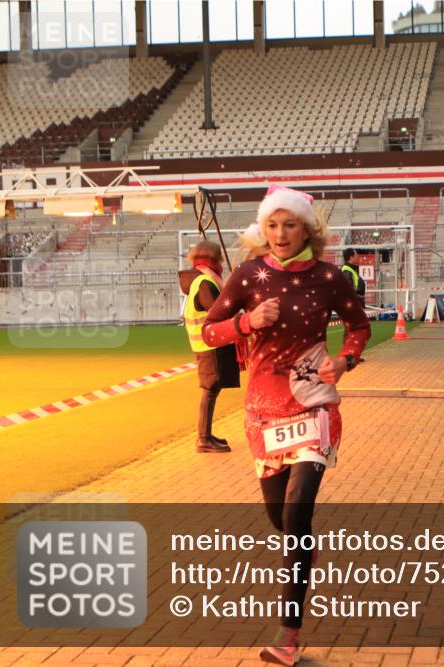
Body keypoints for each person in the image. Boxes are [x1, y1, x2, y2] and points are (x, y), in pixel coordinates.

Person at [201, 184, 370, 665]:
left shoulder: (330, 277)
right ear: (263, 228)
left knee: (296, 516)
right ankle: (304, 553)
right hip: (262, 411)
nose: (280, 234)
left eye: (290, 224)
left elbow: (359, 326)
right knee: (281, 522)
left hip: (313, 403)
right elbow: (208, 329)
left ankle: (288, 637)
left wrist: (346, 360)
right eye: (272, 225)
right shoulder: (248, 274)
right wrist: (247, 322)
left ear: (307, 229)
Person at [178, 240, 241, 453]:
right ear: (213, 259)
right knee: (210, 390)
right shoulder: (205, 282)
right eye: (220, 259)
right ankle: (203, 438)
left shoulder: (198, 280)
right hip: (209, 345)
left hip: (205, 344)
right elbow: (216, 310)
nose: (222, 264)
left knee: (212, 389)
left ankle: (206, 435)